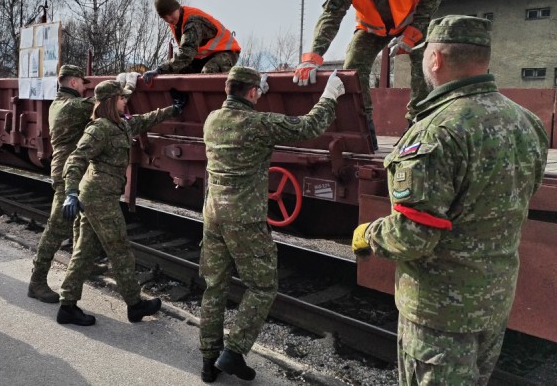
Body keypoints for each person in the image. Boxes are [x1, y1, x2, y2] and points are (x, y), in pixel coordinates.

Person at [351, 16, 549, 385]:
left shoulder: (437, 131)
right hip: (493, 300)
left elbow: (414, 235)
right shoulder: (526, 121)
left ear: (436, 60)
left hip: (440, 314)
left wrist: (369, 233)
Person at [200, 66, 345, 382]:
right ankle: (234, 351)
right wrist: (330, 96)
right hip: (245, 218)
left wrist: (254, 95)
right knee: (263, 286)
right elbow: (308, 127)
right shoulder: (258, 123)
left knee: (214, 285)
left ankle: (208, 360)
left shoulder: (212, 119)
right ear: (253, 93)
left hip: (213, 213)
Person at [56, 80, 187, 326]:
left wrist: (174, 109)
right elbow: (76, 159)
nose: (125, 101)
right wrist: (70, 192)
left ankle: (67, 306)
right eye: (121, 98)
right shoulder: (99, 129)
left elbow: (145, 120)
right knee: (120, 250)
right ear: (109, 101)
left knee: (84, 252)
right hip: (97, 197)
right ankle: (135, 305)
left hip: (100, 197)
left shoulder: (121, 124)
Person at [294, 0, 441, 149]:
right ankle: (363, 125)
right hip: (374, 29)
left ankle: (416, 123)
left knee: (422, 61)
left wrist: (411, 35)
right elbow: (330, 17)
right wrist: (313, 57)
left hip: (410, 22)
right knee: (353, 62)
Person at [27, 65, 94, 303]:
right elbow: (100, 102)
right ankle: (36, 282)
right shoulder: (70, 106)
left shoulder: (58, 103)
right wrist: (126, 85)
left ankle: (80, 266)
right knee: (57, 227)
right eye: (83, 83)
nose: (86, 87)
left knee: (78, 223)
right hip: (68, 173)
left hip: (70, 170)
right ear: (74, 83)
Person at [143, 0, 240, 83]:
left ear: (176, 7)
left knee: (209, 72)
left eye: (170, 14)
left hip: (227, 52)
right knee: (178, 71)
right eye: (164, 17)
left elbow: (186, 54)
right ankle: (181, 100)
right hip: (205, 57)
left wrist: (160, 69)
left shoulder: (193, 22)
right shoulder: (176, 23)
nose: (169, 19)